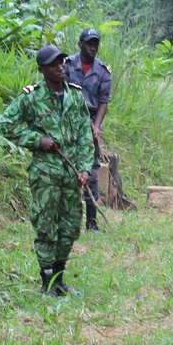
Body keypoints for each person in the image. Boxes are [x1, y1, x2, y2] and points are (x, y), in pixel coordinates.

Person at [0, 45, 95, 297]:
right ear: (42, 69)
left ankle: (60, 279)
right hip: (45, 173)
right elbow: (5, 124)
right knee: (46, 225)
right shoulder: (31, 97)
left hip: (72, 174)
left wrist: (85, 169)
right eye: (53, 64)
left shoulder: (75, 95)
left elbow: (85, 134)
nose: (60, 66)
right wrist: (36, 139)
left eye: (62, 61)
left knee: (71, 226)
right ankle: (46, 281)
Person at [64, 27, 112, 232]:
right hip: (68, 121)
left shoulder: (102, 71)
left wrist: (97, 126)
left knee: (91, 169)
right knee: (66, 166)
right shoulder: (66, 65)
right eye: (89, 43)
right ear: (80, 44)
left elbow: (103, 101)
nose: (93, 47)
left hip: (90, 123)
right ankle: (66, 217)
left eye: (96, 44)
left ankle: (91, 222)